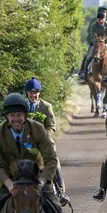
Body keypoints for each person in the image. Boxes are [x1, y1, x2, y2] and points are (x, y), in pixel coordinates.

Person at [24, 77, 70, 206]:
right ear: (27, 93)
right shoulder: (21, 107)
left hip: (44, 144)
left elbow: (52, 126)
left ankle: (61, 193)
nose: (33, 95)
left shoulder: (46, 106)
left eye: (36, 92)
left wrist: (42, 137)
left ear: (39, 93)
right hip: (27, 143)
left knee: (54, 163)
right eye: (31, 92)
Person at [79, 6, 107, 80]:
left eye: (102, 19)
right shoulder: (93, 25)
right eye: (99, 19)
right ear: (97, 19)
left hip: (106, 43)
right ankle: (84, 74)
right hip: (96, 43)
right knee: (88, 57)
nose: (101, 21)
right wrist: (97, 42)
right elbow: (92, 36)